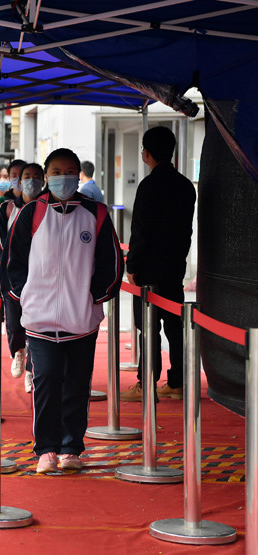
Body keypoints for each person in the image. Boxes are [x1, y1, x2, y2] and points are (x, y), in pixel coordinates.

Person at [7, 148, 123, 474]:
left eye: (69, 171)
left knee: (77, 384)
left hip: (82, 319)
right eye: (56, 172)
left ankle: (71, 448)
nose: (63, 177)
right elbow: (13, 262)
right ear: (47, 176)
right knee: (45, 380)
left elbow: (112, 262)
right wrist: (25, 296)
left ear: (79, 175)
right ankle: (46, 449)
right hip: (40, 319)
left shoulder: (96, 213)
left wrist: (95, 298)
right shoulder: (32, 213)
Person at [121, 127, 196, 401]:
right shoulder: (185, 186)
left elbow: (140, 231)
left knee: (148, 328)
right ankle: (177, 382)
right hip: (174, 266)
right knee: (175, 326)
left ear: (147, 153)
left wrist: (132, 266)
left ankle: (146, 383)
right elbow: (186, 231)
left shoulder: (149, 186)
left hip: (149, 269)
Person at [0, 162, 44, 393]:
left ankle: (32, 369)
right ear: (19, 181)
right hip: (12, 274)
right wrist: (10, 261)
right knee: (14, 320)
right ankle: (18, 352)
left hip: (41, 274)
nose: (32, 181)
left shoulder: (49, 207)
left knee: (37, 324)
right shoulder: (7, 207)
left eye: (36, 176)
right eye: (27, 176)